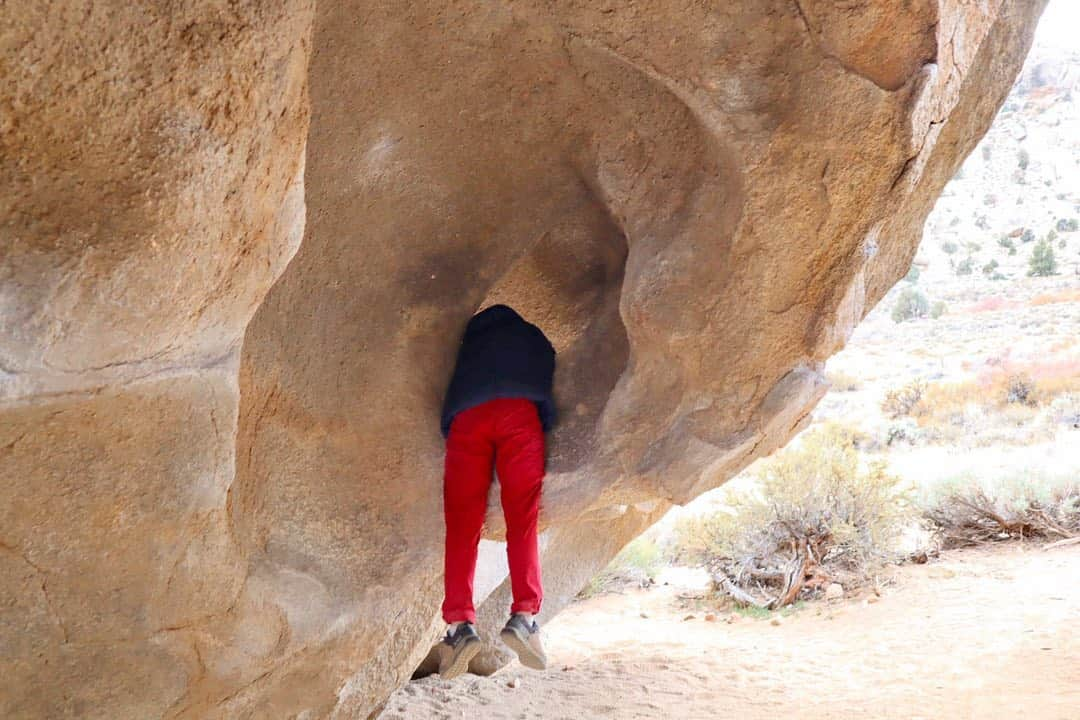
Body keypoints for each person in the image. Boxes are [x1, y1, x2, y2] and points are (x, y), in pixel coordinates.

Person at [437, 304, 556, 679]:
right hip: (519, 416)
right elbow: (548, 367)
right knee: (522, 516)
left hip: (467, 421)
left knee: (462, 522)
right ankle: (524, 616)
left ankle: (459, 627)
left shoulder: (468, 347)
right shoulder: (530, 337)